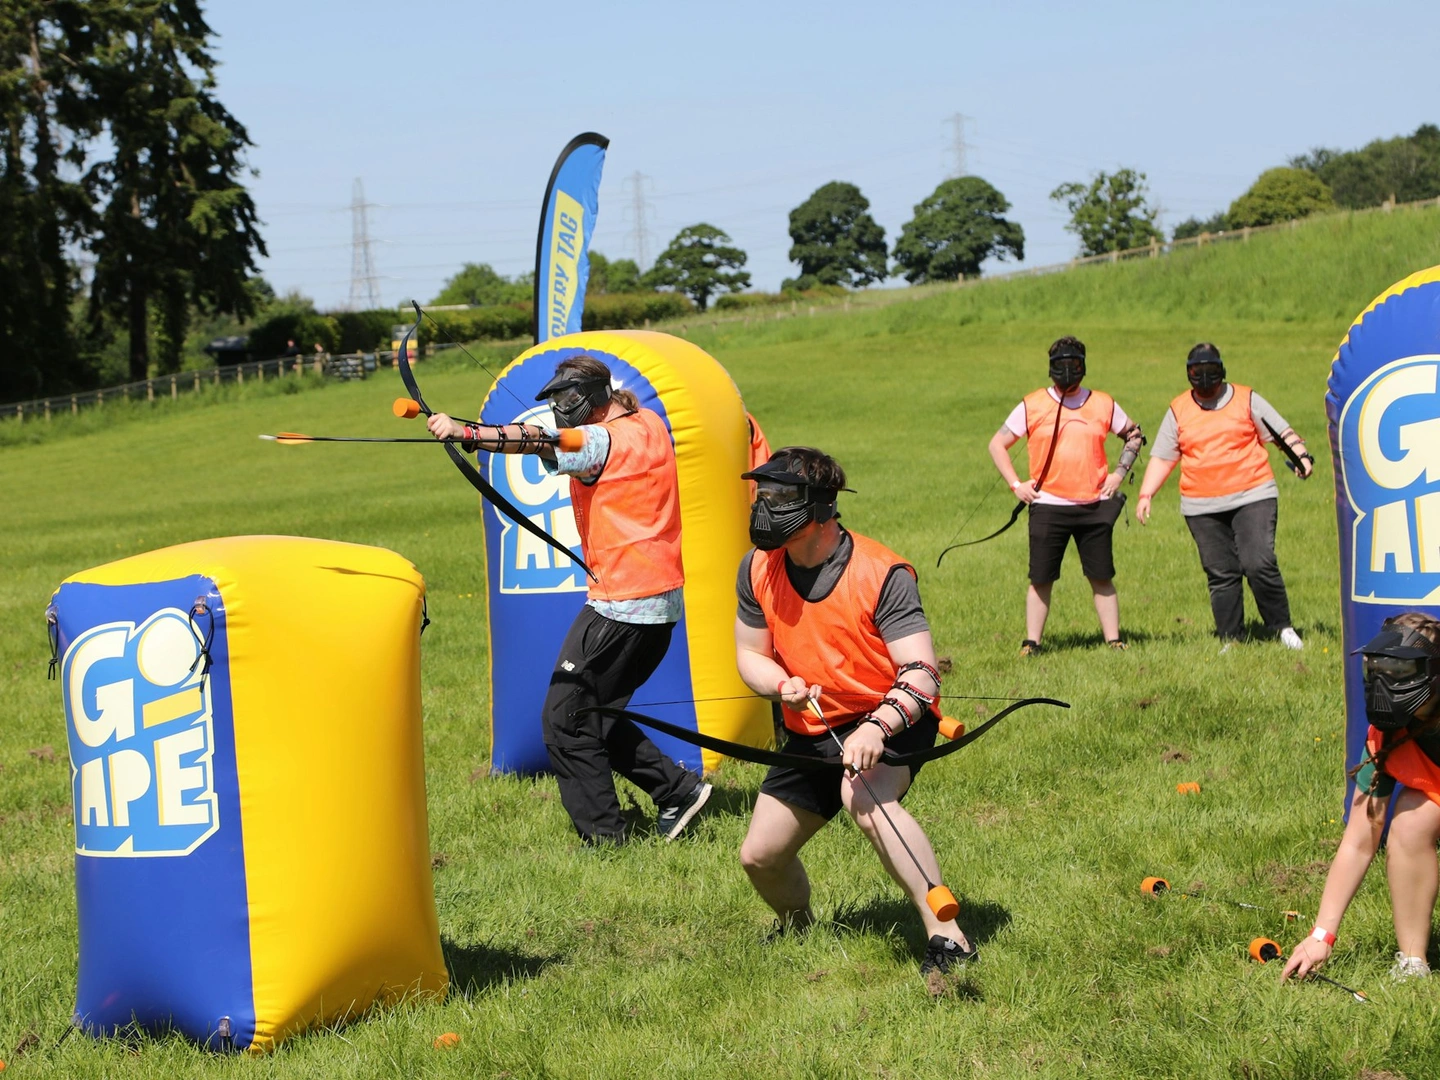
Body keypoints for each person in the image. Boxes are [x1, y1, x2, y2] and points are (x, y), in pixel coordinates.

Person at [427, 355, 710, 844]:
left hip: (622, 605)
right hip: (653, 602)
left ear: (597, 397)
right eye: (555, 400)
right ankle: (677, 790)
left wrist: (466, 433)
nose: (560, 409)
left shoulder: (604, 440)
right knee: (590, 710)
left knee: (564, 720)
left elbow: (544, 440)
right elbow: (561, 442)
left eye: (569, 399)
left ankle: (606, 840)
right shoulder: (649, 426)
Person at [733, 446, 975, 976]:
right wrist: (781, 683)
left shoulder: (882, 572)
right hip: (811, 725)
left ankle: (947, 934)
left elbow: (921, 674)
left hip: (892, 718)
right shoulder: (757, 567)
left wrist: (876, 725)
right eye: (762, 494)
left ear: (821, 507)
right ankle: (798, 927)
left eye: (781, 497)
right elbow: (749, 654)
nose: (765, 507)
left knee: (862, 795)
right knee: (760, 856)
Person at [1281, 613, 1440, 983]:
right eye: (1378, 669)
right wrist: (1322, 935)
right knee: (1410, 820)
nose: (1385, 682)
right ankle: (1414, 963)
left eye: (1400, 670)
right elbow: (1358, 840)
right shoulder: (1385, 733)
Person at [1135, 343, 1313, 650]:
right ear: (1188, 374)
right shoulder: (1179, 409)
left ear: (1221, 371)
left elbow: (1280, 432)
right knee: (1221, 572)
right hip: (1201, 505)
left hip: (1253, 494)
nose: (1204, 378)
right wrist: (1146, 493)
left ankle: (1282, 627)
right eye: (1196, 372)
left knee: (1258, 562)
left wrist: (1303, 458)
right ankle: (1231, 638)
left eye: (1210, 372)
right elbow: (1164, 457)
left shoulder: (1247, 399)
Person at [986, 336, 1145, 656]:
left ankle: (1113, 640)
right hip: (1047, 505)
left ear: (1083, 365)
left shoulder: (1102, 403)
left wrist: (1118, 473)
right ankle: (1032, 643)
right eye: (1061, 365)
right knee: (1041, 577)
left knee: (1101, 575)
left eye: (1074, 364)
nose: (1068, 371)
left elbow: (1134, 434)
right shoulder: (1032, 404)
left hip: (1095, 505)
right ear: (1051, 368)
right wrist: (1016, 485)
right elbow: (997, 445)